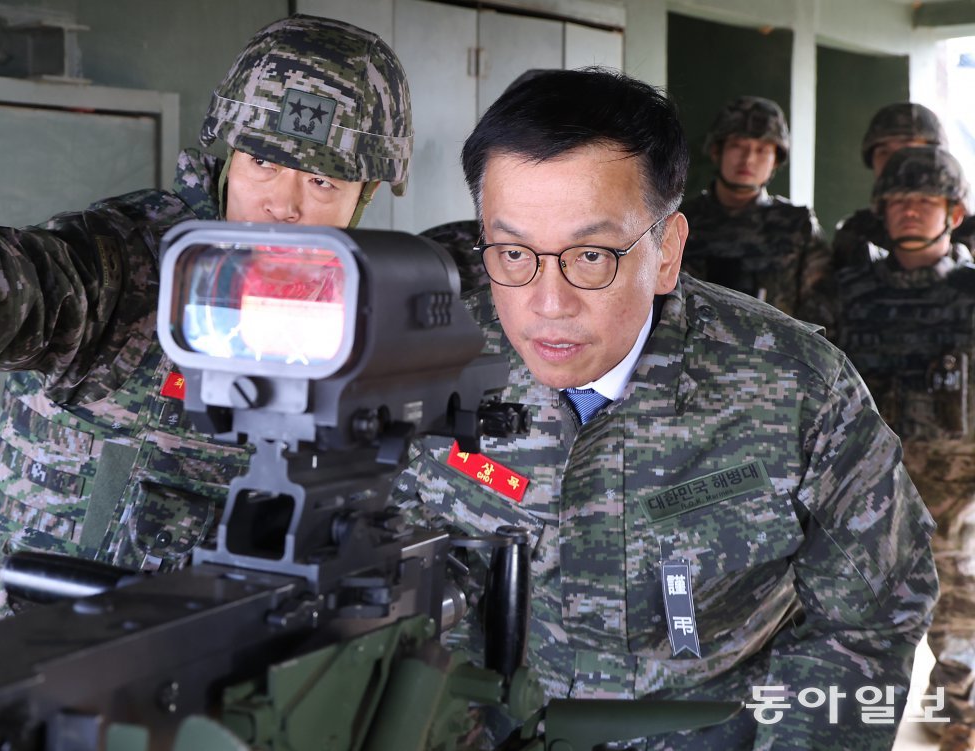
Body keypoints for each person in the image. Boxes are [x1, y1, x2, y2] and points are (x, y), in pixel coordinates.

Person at [0, 14, 413, 630]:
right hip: (33, 641)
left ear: (362, 197)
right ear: (228, 158)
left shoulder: (364, 317)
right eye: (261, 163)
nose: (284, 203)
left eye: (320, 180)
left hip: (204, 657)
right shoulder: (134, 257)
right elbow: (46, 285)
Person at [392, 68, 937, 749]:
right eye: (513, 251)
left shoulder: (796, 388)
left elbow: (875, 611)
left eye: (591, 255)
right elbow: (389, 589)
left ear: (667, 251)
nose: (548, 301)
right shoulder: (427, 371)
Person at [832, 145, 975, 751]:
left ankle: (957, 722)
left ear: (955, 211)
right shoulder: (845, 292)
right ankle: (854, 728)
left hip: (956, 486)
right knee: (853, 611)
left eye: (926, 200)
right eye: (898, 201)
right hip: (867, 487)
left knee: (957, 612)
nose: (910, 211)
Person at [678, 96, 831, 324]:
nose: (748, 159)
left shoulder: (797, 225)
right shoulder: (681, 220)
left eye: (761, 150)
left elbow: (822, 312)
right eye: (737, 146)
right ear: (716, 151)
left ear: (776, 161)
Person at [832, 102, 975, 271]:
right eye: (884, 152)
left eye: (908, 150)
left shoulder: (969, 232)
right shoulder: (856, 232)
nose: (895, 162)